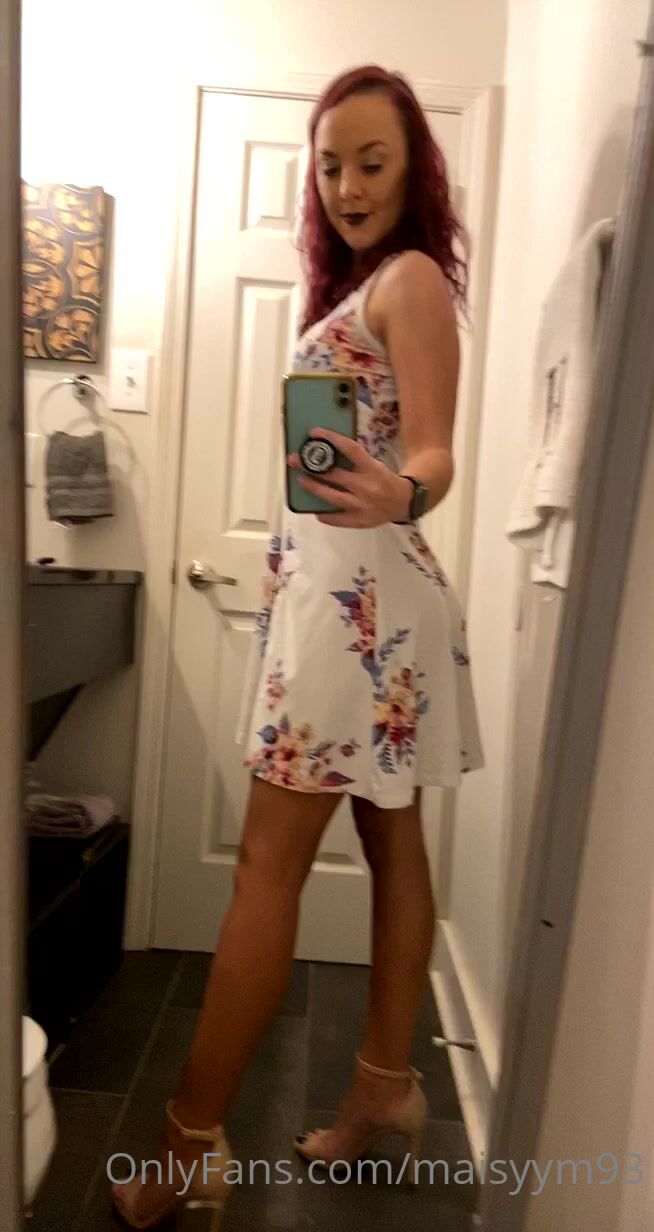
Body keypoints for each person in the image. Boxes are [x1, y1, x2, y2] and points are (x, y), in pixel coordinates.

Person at [112, 63, 484, 1229]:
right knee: (390, 836)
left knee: (267, 870)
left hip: (354, 605)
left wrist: (407, 491)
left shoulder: (411, 278)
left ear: (415, 169)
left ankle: (188, 1141)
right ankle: (384, 1084)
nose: (347, 185)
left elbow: (437, 447)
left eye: (372, 162)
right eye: (329, 166)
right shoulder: (367, 286)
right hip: (348, 597)